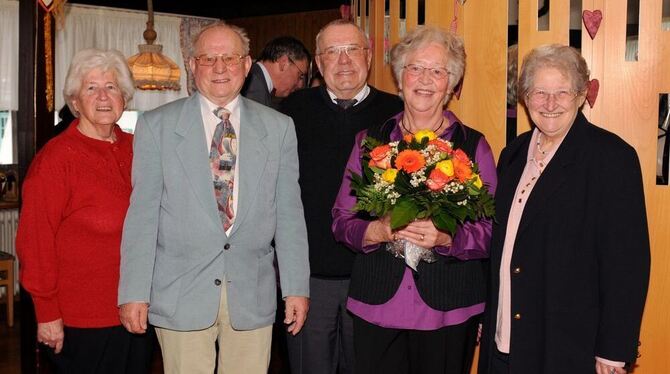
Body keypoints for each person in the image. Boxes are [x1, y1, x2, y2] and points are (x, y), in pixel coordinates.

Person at [118, 21, 310, 374]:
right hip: (180, 292)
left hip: (252, 293)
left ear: (247, 63)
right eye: (208, 59)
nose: (219, 68)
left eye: (230, 58)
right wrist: (133, 292)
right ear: (192, 65)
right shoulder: (156, 126)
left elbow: (289, 214)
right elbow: (142, 217)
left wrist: (296, 287)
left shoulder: (279, 128)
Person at [331, 26, 497, 374]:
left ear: (451, 85)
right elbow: (341, 219)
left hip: (449, 307)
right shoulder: (369, 141)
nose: (425, 79)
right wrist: (375, 231)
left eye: (438, 71)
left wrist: (448, 237)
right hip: (378, 303)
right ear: (399, 77)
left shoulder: (473, 146)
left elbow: (492, 228)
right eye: (415, 68)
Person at [477, 44, 650, 374]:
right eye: (540, 92)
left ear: (582, 94)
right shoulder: (512, 155)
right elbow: (501, 248)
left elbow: (627, 262)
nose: (550, 103)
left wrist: (614, 349)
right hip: (505, 345)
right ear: (525, 97)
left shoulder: (611, 158)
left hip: (568, 348)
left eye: (562, 92)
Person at [16, 48, 152, 373]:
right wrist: (47, 312)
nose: (103, 96)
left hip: (137, 309)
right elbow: (35, 240)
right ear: (75, 101)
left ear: (125, 97)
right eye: (91, 88)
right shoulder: (56, 160)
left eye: (112, 87)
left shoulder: (139, 148)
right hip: (82, 320)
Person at [281, 19, 403, 374]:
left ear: (368, 56)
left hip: (376, 276)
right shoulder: (290, 113)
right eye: (332, 52)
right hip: (308, 280)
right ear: (318, 62)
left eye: (352, 50)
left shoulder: (397, 114)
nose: (344, 60)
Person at [242, 36, 310, 109]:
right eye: (300, 75)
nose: (300, 85)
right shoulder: (253, 85)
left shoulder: (256, 82)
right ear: (283, 63)